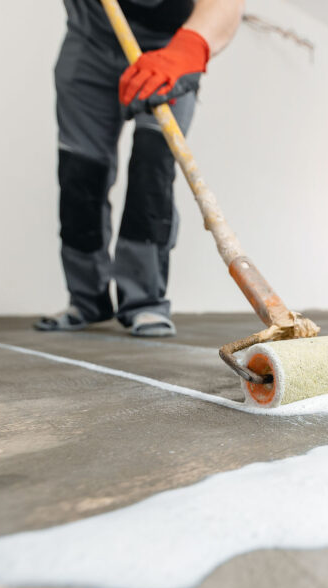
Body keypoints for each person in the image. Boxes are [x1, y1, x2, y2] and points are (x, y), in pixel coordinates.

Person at [35, 0, 243, 337]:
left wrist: (189, 48)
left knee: (153, 166)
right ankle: (86, 299)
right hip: (91, 40)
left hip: (168, 45)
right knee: (80, 172)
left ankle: (144, 302)